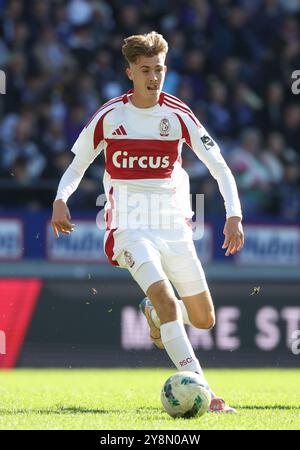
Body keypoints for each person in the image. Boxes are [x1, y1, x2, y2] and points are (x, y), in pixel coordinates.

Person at [51, 31, 244, 413]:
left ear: (165, 69)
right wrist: (60, 199)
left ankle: (154, 316)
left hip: (173, 225)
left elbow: (219, 167)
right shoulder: (110, 116)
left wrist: (234, 213)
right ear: (130, 73)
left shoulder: (178, 115)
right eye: (145, 70)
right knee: (166, 298)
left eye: (158, 70)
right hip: (128, 225)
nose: (153, 78)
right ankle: (205, 392)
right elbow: (77, 165)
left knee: (204, 320)